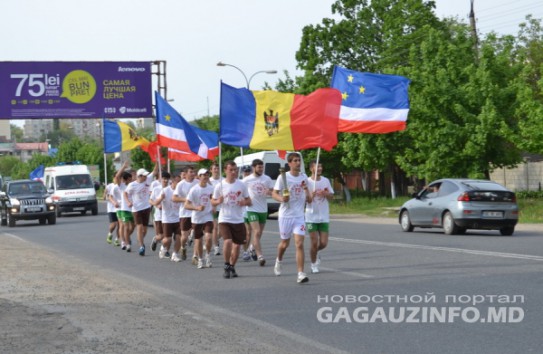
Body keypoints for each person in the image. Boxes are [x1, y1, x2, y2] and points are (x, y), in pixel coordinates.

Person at [272, 152, 313, 284]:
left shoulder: (304, 177)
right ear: (289, 163)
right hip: (286, 215)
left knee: (299, 244)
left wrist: (306, 189)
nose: (298, 163)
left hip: (299, 215)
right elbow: (274, 193)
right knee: (284, 244)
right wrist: (282, 199)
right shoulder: (283, 177)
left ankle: (300, 273)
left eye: (299, 160)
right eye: (295, 161)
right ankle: (279, 260)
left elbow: (310, 199)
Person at [212, 161, 251, 279]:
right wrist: (218, 201)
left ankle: (232, 266)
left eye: (235, 170)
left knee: (237, 246)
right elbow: (212, 201)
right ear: (225, 170)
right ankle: (226, 264)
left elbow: (249, 201)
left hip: (238, 219)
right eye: (231, 170)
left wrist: (244, 202)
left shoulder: (241, 185)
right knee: (227, 242)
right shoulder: (220, 185)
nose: (234, 172)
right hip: (225, 218)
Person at [242, 159, 274, 266]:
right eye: (259, 167)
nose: (261, 169)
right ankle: (260, 256)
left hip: (263, 209)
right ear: (253, 167)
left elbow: (273, 192)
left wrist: (268, 192)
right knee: (256, 232)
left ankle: (252, 247)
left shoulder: (267, 179)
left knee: (259, 233)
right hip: (251, 209)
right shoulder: (247, 180)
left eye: (262, 167)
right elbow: (239, 192)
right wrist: (245, 201)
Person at [305, 160, 334, 274]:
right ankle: (313, 264)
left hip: (323, 215)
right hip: (311, 216)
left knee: (323, 243)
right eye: (318, 167)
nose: (320, 169)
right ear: (311, 168)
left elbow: (331, 197)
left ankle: (314, 252)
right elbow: (305, 200)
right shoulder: (307, 182)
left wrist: (326, 194)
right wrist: (310, 195)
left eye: (321, 167)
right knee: (314, 242)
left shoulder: (325, 180)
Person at [124, 165, 157, 256]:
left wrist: (157, 161)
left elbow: (154, 171)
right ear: (139, 176)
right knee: (139, 227)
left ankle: (140, 240)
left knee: (145, 229)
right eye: (144, 176)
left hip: (146, 207)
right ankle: (142, 246)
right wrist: (128, 202)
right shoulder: (132, 185)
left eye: (146, 175)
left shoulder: (148, 180)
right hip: (136, 209)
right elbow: (125, 193)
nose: (146, 177)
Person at [184, 168, 214, 269]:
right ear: (199, 176)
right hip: (197, 218)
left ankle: (208, 256)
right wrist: (196, 208)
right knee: (199, 240)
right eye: (203, 175)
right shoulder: (194, 190)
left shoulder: (211, 188)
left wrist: (214, 206)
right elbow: (186, 205)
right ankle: (200, 259)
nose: (205, 177)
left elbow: (213, 200)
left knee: (209, 237)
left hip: (208, 216)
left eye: (207, 175)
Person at [171, 167, 198, 262]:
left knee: (197, 235)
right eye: (191, 172)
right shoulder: (181, 184)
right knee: (184, 237)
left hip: (196, 212)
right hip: (184, 213)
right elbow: (174, 198)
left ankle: (195, 256)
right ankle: (183, 247)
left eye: (193, 171)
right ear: (185, 174)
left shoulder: (198, 182)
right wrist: (186, 199)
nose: (193, 173)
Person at [153, 171, 181, 260]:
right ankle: (163, 247)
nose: (179, 184)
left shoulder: (181, 191)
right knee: (167, 239)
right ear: (172, 181)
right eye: (177, 181)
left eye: (180, 182)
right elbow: (155, 202)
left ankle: (175, 254)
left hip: (178, 218)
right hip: (167, 219)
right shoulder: (165, 190)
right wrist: (161, 198)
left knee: (178, 237)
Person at [111, 164, 134, 252]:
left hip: (131, 208)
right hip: (121, 208)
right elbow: (117, 176)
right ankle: (124, 242)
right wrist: (124, 167)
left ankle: (125, 238)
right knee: (123, 226)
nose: (131, 180)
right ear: (126, 179)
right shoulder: (121, 186)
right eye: (130, 178)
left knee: (132, 227)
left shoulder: (131, 185)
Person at [149, 171, 169, 256]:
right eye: (164, 179)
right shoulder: (156, 189)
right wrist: (156, 205)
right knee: (161, 236)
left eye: (167, 179)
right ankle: (155, 240)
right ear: (161, 179)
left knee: (167, 236)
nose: (165, 181)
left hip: (168, 216)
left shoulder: (170, 189)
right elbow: (150, 200)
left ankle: (164, 250)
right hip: (159, 216)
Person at [240, 165, 253, 261]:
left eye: (248, 171)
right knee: (245, 232)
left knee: (250, 232)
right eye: (245, 172)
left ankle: (248, 249)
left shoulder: (252, 181)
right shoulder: (240, 183)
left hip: (252, 209)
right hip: (243, 211)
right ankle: (245, 250)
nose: (247, 173)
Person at [209, 162, 222, 256]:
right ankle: (216, 247)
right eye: (214, 169)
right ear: (211, 170)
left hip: (222, 208)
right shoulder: (209, 181)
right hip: (213, 207)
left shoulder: (223, 180)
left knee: (221, 230)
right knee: (215, 227)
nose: (216, 170)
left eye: (217, 168)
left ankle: (214, 240)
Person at [104, 178, 120, 246]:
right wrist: (107, 197)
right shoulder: (110, 186)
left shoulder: (121, 186)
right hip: (111, 208)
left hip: (119, 208)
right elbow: (104, 196)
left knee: (120, 225)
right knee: (113, 224)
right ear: (114, 178)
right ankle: (110, 234)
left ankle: (117, 239)